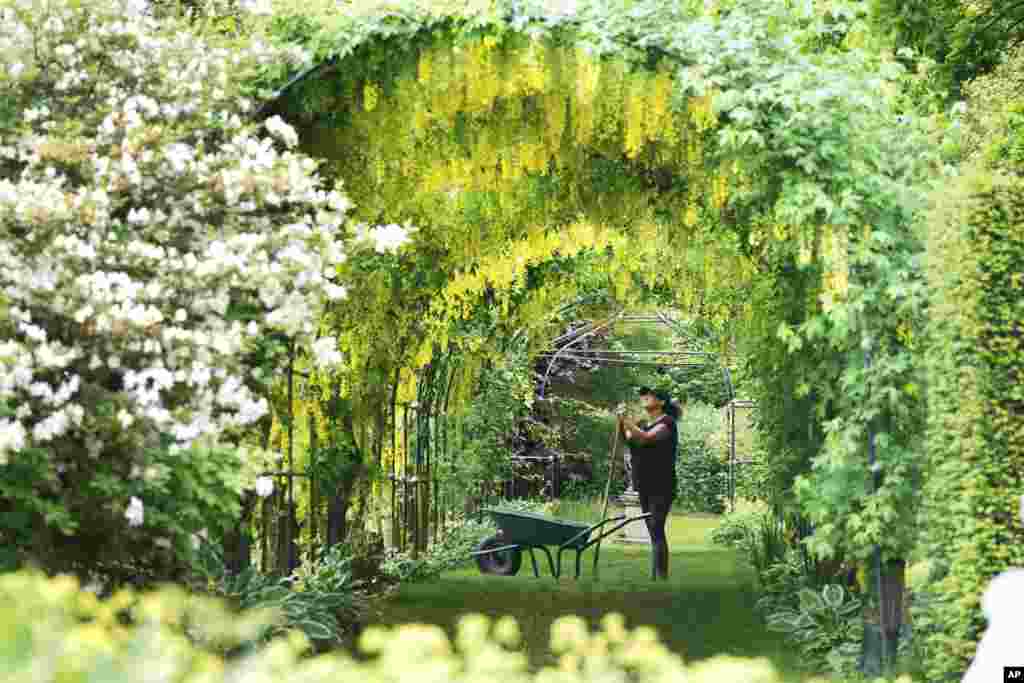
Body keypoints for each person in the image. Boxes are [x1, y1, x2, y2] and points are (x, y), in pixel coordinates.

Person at [617, 387, 680, 580]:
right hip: (643, 483)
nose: (645, 398)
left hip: (662, 484)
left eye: (650, 396)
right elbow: (629, 439)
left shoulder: (667, 423)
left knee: (656, 526)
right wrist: (621, 424)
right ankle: (657, 574)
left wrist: (626, 421)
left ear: (660, 402)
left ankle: (661, 574)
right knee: (652, 529)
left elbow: (647, 438)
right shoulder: (643, 423)